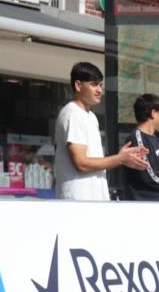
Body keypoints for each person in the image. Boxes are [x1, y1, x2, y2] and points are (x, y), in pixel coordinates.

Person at [54, 62, 148, 200]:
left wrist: (122, 159)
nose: (99, 90)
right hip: (78, 201)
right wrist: (121, 158)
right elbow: (81, 163)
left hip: (94, 199)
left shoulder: (90, 116)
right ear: (78, 85)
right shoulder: (73, 114)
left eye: (100, 85)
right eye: (94, 84)